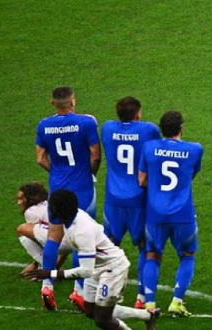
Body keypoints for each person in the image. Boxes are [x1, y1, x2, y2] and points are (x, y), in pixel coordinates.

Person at [23, 190, 160, 330]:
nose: (49, 211)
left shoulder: (81, 232)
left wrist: (51, 273)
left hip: (112, 269)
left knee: (102, 319)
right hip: (97, 265)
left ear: (59, 210)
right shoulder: (71, 217)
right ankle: (148, 316)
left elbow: (86, 272)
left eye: (51, 207)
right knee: (90, 311)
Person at [35, 86, 101, 310]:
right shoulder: (87, 122)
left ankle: (46, 286)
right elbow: (95, 155)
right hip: (82, 188)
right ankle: (78, 292)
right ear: (72, 102)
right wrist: (91, 172)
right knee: (80, 239)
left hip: (57, 187)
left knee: (54, 236)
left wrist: (56, 173)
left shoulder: (44, 125)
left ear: (52, 103)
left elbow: (40, 158)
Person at [138, 110, 203, 316]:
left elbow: (142, 181)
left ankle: (149, 305)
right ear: (181, 128)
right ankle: (176, 301)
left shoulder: (149, 148)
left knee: (151, 256)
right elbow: (190, 175)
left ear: (161, 129)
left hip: (155, 214)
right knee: (187, 255)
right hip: (183, 214)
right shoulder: (195, 149)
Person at [101, 97, 161, 309]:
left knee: (109, 247)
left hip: (113, 200)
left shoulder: (107, 128)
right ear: (138, 113)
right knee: (145, 248)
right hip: (140, 199)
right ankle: (141, 298)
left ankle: (107, 294)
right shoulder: (149, 130)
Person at [15, 182, 70, 275]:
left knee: (22, 230)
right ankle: (53, 270)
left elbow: (38, 238)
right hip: (76, 242)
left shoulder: (31, 212)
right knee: (59, 231)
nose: (18, 203)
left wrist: (36, 264)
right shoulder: (49, 204)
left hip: (62, 242)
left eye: (21, 199)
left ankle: (48, 270)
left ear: (30, 199)